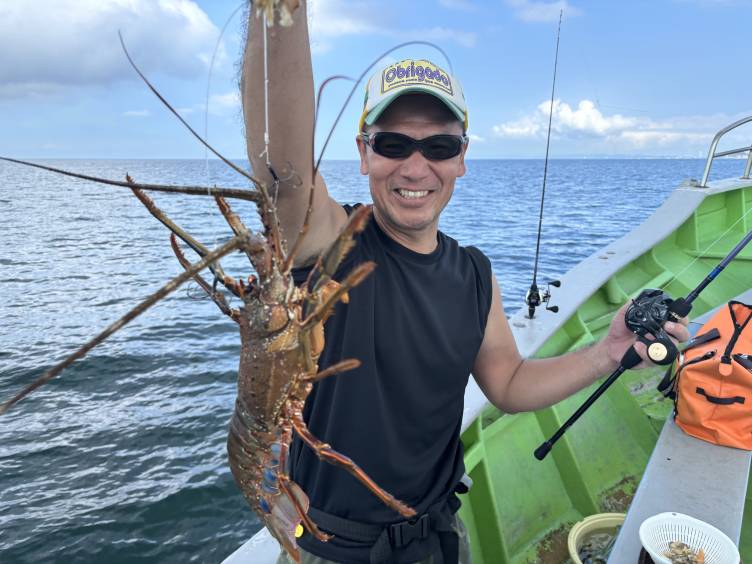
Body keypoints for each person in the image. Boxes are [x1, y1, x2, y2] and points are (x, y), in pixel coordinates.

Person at [241, 3, 689, 563]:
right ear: (363, 153)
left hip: (440, 535)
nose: (415, 167)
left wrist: (608, 352)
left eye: (439, 147)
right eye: (393, 144)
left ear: (462, 158)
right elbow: (283, 176)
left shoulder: (475, 272)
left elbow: (509, 383)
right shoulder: (332, 243)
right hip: (331, 545)